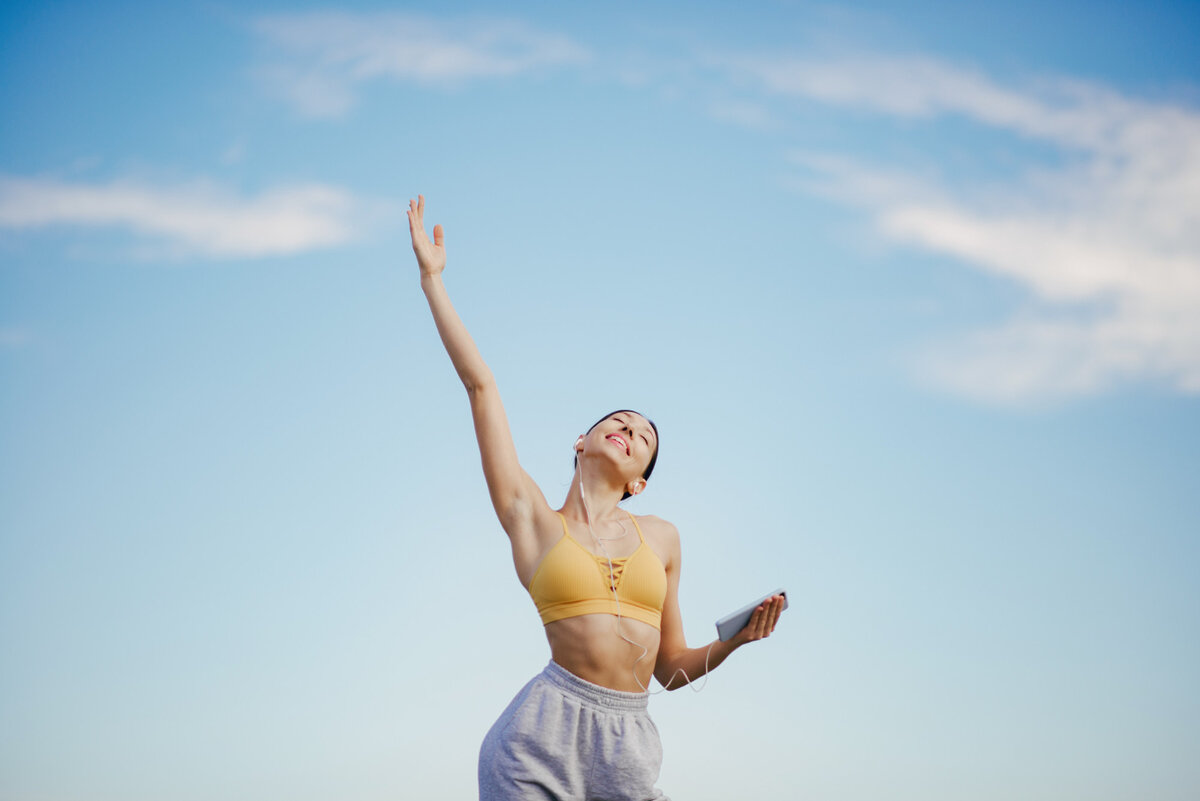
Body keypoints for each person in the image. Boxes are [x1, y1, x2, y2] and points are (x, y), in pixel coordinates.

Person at [408, 195, 785, 801]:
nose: (632, 429)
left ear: (640, 481)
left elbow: (669, 670)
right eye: (621, 420)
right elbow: (481, 386)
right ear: (581, 442)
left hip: (628, 747)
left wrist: (735, 642)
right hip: (538, 741)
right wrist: (432, 282)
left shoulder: (660, 538)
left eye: (644, 437)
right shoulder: (531, 519)